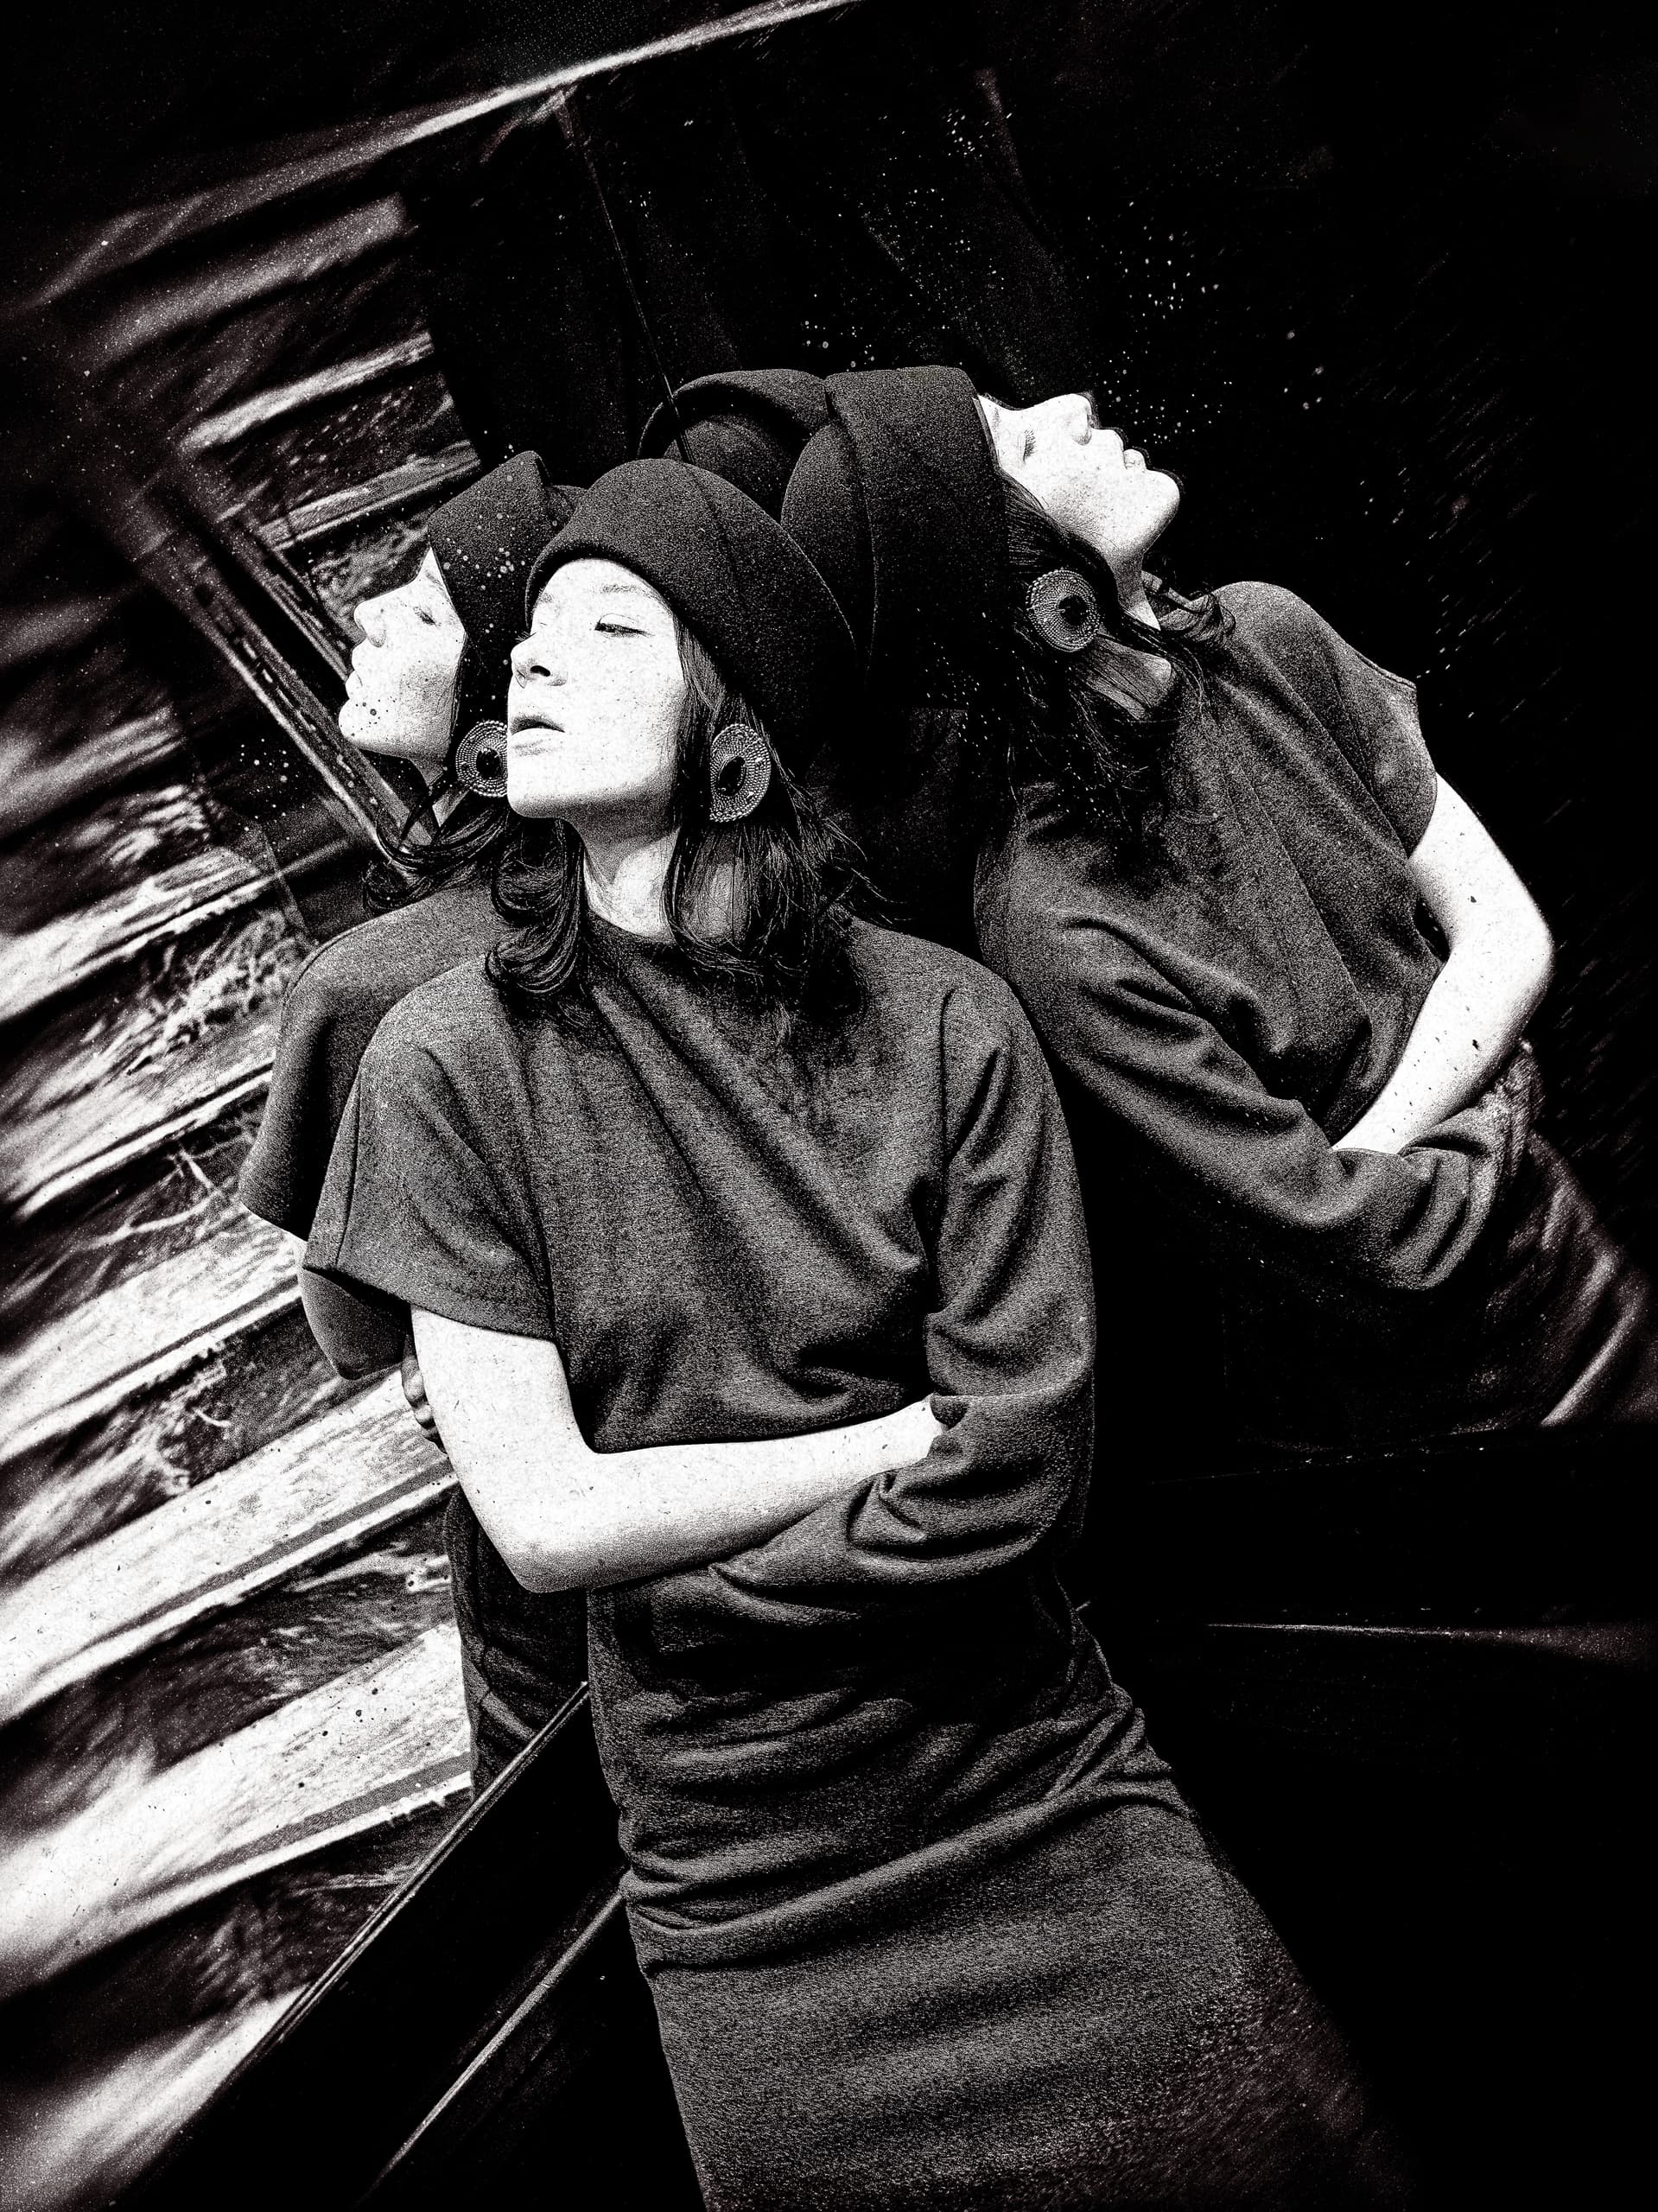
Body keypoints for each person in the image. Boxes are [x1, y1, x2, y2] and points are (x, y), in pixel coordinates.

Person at [302, 456, 1412, 2209]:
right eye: (531, 632)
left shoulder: (953, 1026)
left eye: (610, 627)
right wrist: (892, 1442)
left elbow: (1018, 1474)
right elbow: (537, 1520)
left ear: (732, 719)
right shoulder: (438, 1067)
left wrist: (682, 1559)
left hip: (1034, 1796)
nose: (531, 658)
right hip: (758, 1907)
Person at [779, 365, 1658, 1456]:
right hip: (1426, 1427)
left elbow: (1509, 938)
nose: (1071, 409)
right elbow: (1341, 1239)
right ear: (1012, 579)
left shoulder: (1267, 631)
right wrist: (1499, 1089)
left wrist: (1389, 1140)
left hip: (1583, 1284)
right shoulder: (1056, 924)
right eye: (1014, 443)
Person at [238, 449, 590, 1787]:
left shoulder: (366, 990)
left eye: (426, 607)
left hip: (541, 1546)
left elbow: (349, 1328)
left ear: (505, 716)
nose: (370, 612)